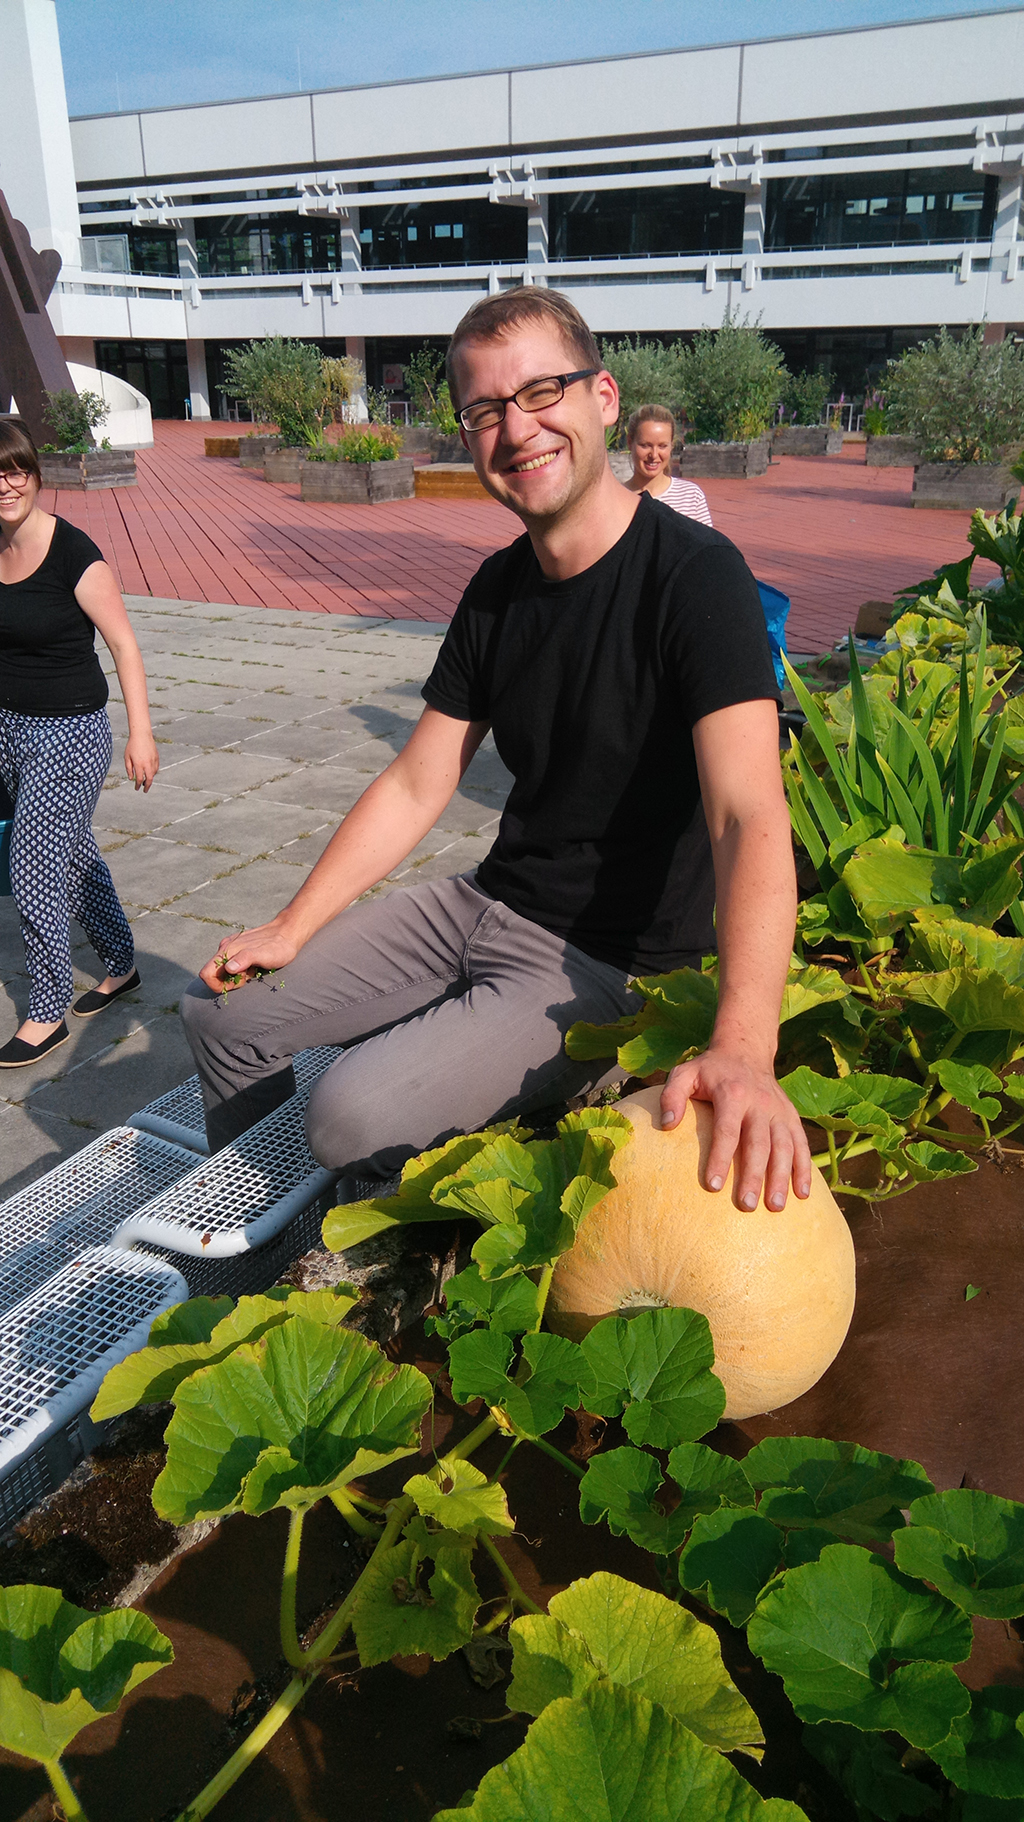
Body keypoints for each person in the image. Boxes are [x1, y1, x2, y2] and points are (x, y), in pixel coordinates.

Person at [183, 288, 811, 1214]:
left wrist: (744, 1047)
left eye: (541, 392)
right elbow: (416, 778)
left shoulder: (695, 577)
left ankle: (340, 1244)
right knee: (219, 1014)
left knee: (348, 1112)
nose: (517, 429)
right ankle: (268, 1237)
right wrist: (293, 923)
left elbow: (748, 812)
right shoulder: (497, 589)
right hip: (488, 900)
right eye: (485, 410)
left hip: (606, 962)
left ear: (602, 397)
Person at [0, 419, 158, 1067]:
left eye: (15, 470)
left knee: (31, 866)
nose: (5, 485)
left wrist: (140, 733)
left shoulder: (75, 554)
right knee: (68, 854)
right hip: (8, 728)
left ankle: (46, 1010)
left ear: (35, 474)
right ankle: (121, 964)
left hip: (70, 730)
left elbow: (124, 645)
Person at [624, 402, 713, 525]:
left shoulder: (691, 497)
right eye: (645, 445)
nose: (654, 455)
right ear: (630, 442)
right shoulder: (615, 499)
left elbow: (707, 543)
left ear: (672, 445)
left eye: (662, 446)